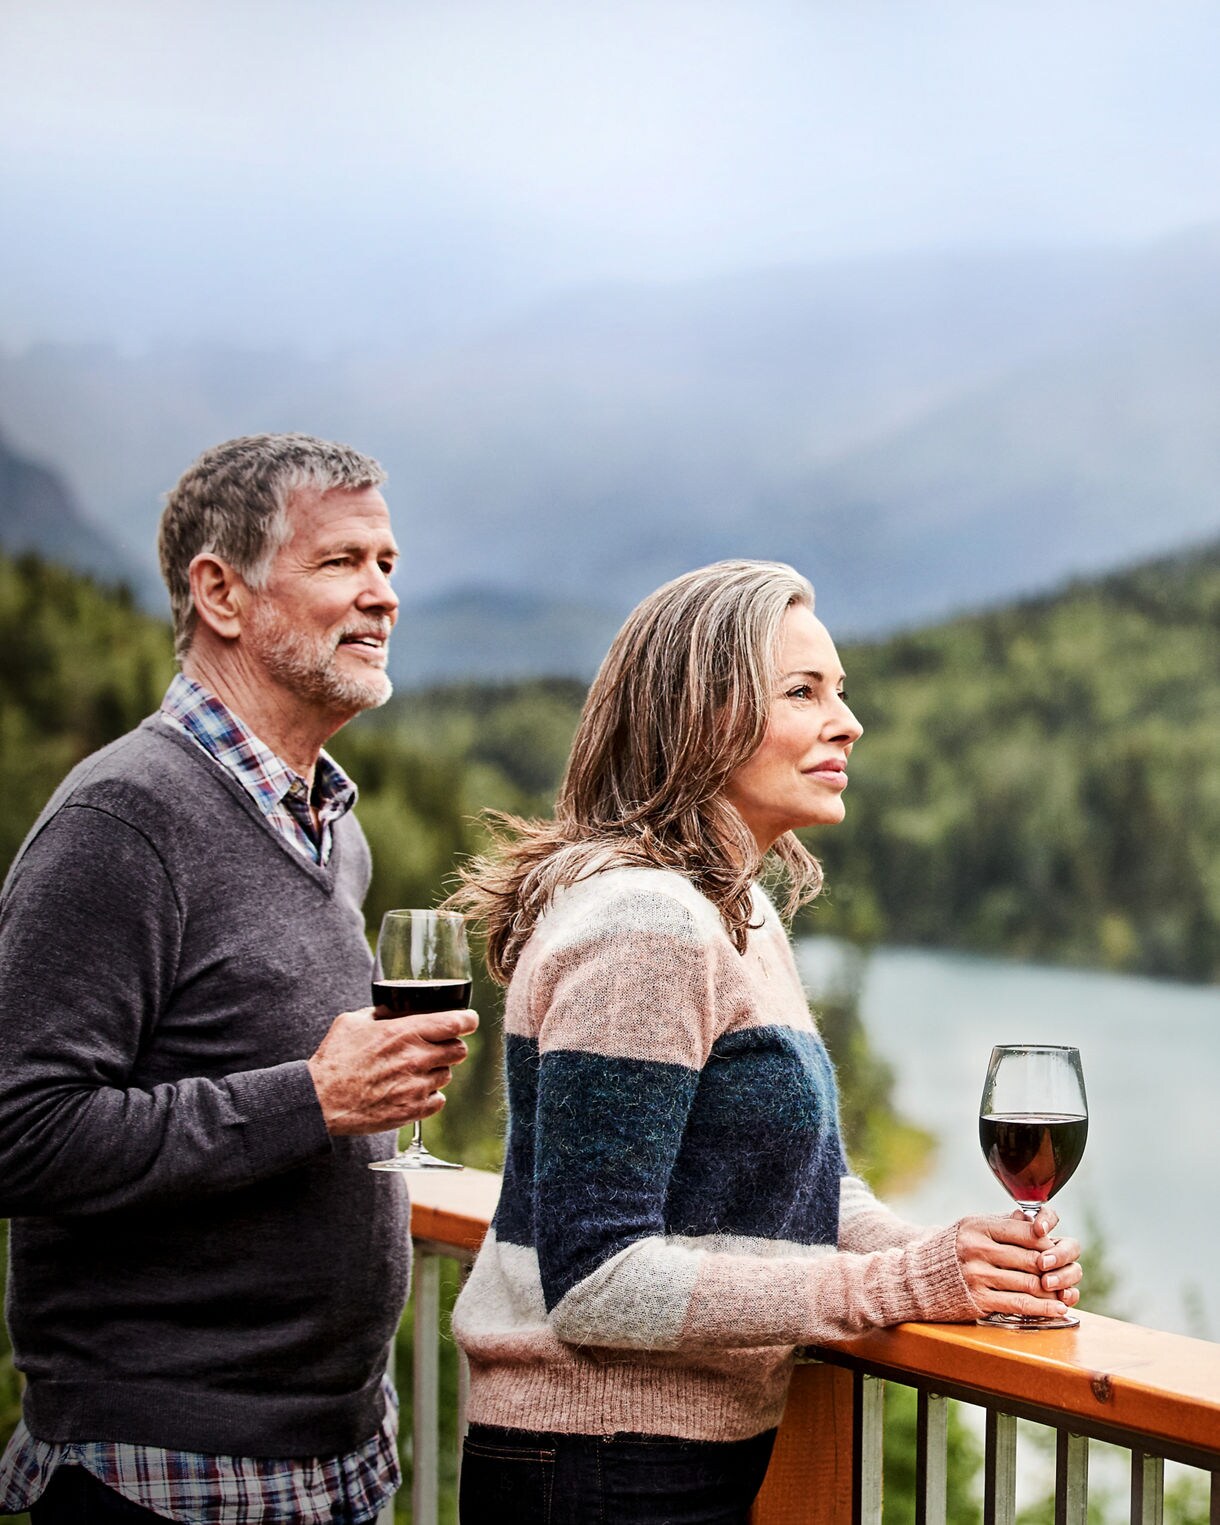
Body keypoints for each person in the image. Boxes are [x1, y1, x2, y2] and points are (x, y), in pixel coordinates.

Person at [448, 559, 1082, 1525]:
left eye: (841, 690)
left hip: (656, 1461)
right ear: (702, 718)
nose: (848, 721)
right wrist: (897, 1283)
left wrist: (960, 1262)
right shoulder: (645, 923)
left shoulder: (734, 911)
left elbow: (811, 1189)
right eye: (804, 691)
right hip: (597, 1465)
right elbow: (596, 1281)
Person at [0, 433, 478, 1524]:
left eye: (388, 564)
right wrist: (309, 1098)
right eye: (341, 562)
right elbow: (18, 1130)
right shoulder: (122, 818)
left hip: (335, 1456)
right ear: (220, 592)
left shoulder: (333, 829)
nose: (381, 594)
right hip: (167, 1472)